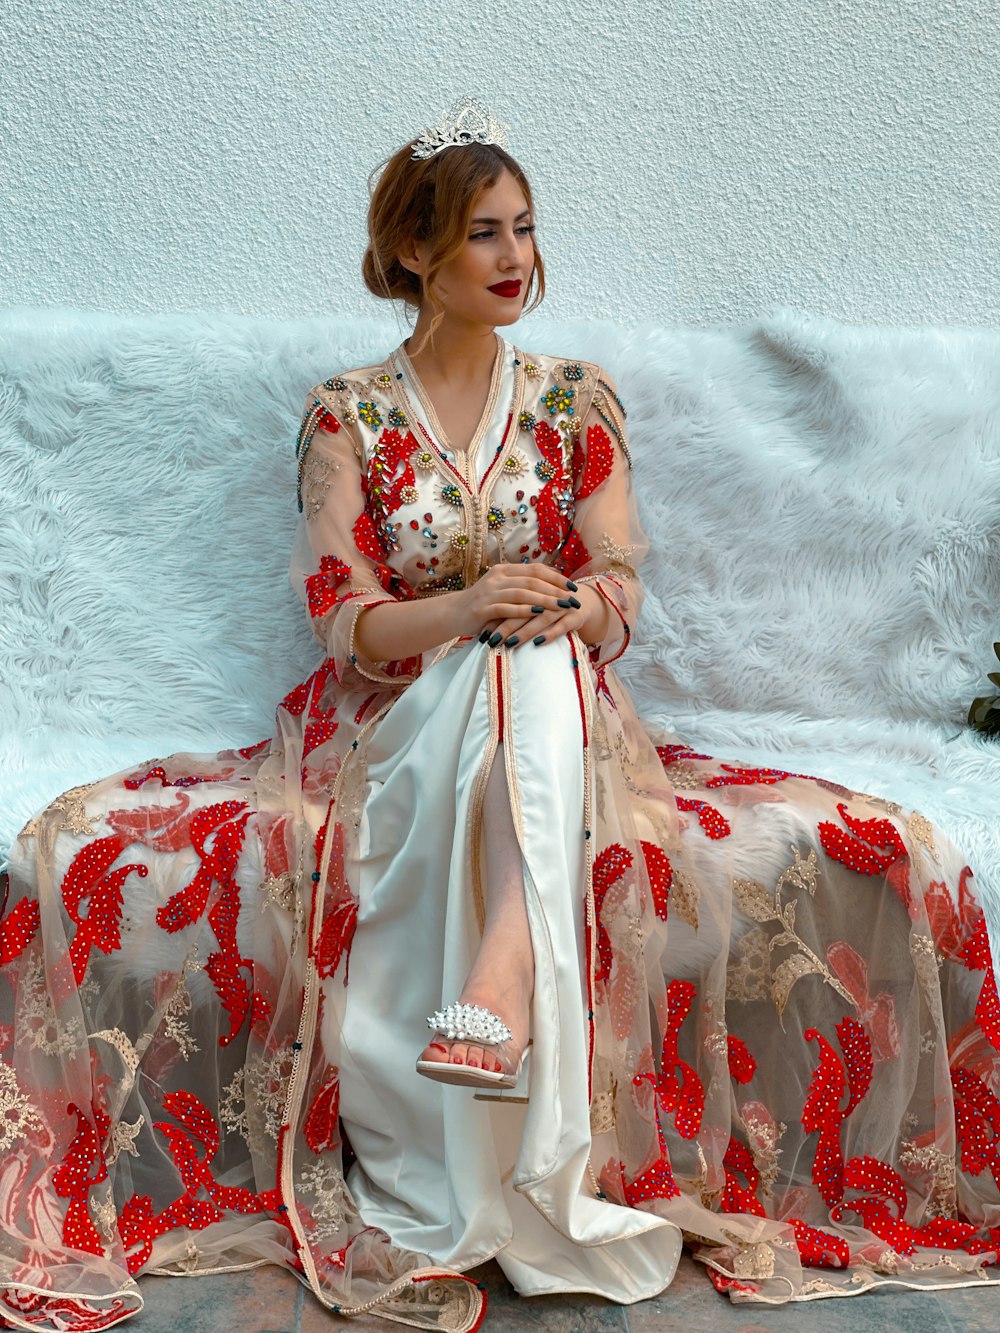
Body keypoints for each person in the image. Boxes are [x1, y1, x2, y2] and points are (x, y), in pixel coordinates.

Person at [2, 96, 1000, 1332]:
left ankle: (500, 979)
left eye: (525, 227)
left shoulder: (579, 400)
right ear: (416, 253)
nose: (517, 256)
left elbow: (619, 583)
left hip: (564, 709)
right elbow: (346, 620)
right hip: (393, 723)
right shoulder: (347, 415)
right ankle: (506, 980)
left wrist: (565, 609)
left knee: (530, 658)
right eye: (483, 232)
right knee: (493, 651)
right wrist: (470, 604)